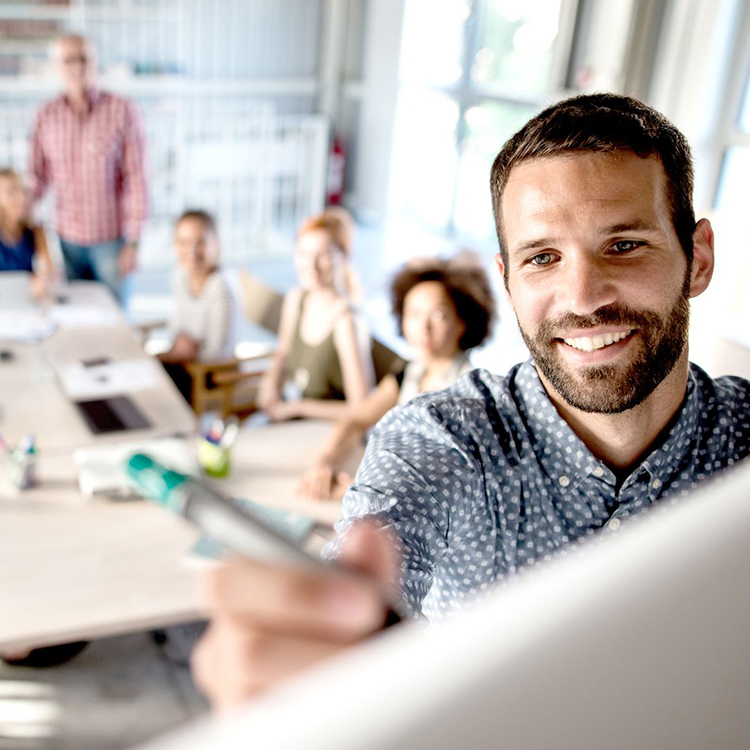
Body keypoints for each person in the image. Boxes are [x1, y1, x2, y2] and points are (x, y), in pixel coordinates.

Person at [191, 93, 750, 711]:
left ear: (697, 259)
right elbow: (364, 577)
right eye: (543, 257)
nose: (584, 295)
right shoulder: (435, 441)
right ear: (508, 280)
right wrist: (316, 647)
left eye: (623, 245)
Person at [298, 253, 496, 500]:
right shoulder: (408, 371)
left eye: (439, 315)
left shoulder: (471, 391)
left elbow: (449, 482)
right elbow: (357, 420)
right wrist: (325, 461)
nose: (423, 327)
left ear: (462, 322)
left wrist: (355, 493)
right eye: (413, 314)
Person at [28, 34, 148, 305]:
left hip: (112, 242)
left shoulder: (122, 110)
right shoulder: (45, 114)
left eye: (83, 58)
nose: (77, 66)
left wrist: (134, 242)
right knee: (77, 318)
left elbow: (137, 179)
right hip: (67, 241)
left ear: (95, 63)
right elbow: (36, 178)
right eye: (68, 59)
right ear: (56, 66)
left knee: (115, 321)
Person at [256, 207, 374, 421]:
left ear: (345, 256)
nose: (311, 265)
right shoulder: (296, 299)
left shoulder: (347, 321)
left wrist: (298, 408)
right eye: (304, 254)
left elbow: (361, 409)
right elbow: (282, 353)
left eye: (324, 255)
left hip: (331, 430)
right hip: (294, 417)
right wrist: (270, 382)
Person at [159, 209, 235, 403]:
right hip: (183, 362)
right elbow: (175, 326)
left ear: (216, 243)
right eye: (183, 242)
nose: (192, 251)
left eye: (201, 242)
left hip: (210, 373)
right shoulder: (179, 275)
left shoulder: (221, 287)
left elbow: (216, 352)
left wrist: (187, 351)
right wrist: (179, 342)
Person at [0, 167, 54, 296]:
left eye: (23, 190)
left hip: (25, 301)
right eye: (11, 191)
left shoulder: (36, 232)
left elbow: (47, 271)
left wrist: (43, 279)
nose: (21, 197)